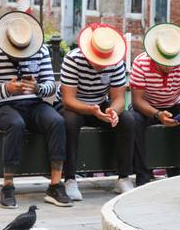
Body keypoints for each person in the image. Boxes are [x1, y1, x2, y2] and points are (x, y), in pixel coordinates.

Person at [0, 11, 73, 208]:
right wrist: (7, 89)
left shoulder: (41, 50)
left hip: (35, 104)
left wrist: (38, 88)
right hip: (5, 106)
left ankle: (55, 185)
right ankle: (8, 186)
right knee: (16, 124)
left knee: (57, 121)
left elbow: (50, 85)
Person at [54, 23, 135, 201]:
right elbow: (68, 100)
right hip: (71, 106)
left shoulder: (116, 62)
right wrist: (92, 110)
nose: (101, 65)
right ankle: (70, 179)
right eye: (97, 61)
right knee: (70, 122)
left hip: (99, 103)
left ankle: (123, 177)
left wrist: (112, 111)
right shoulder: (73, 59)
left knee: (127, 120)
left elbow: (119, 98)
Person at [129, 23, 180, 186]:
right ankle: (142, 176)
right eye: (164, 63)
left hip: (175, 103)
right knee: (133, 122)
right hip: (146, 106)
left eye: (174, 62)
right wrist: (157, 114)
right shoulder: (140, 63)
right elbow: (137, 100)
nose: (170, 67)